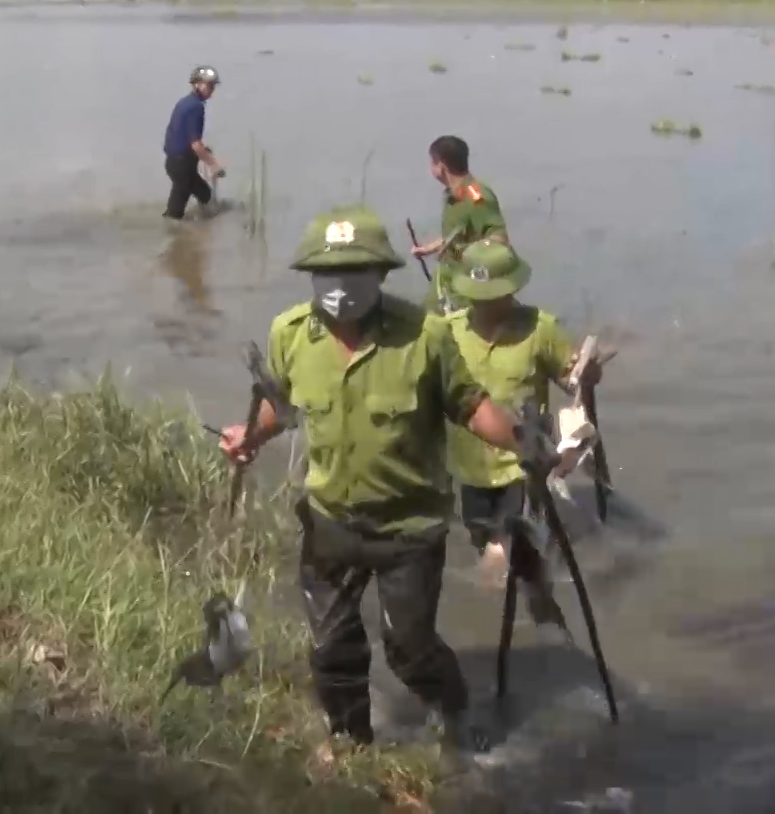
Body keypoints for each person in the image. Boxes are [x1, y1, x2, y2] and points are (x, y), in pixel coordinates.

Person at [218, 205, 522, 752]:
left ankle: (454, 710)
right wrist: (250, 435)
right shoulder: (289, 334)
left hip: (410, 527)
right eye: (327, 273)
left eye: (355, 271)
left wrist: (529, 446)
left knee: (409, 648)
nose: (339, 286)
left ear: (381, 273)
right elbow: (282, 408)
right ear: (311, 276)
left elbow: (472, 407)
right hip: (330, 521)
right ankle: (352, 744)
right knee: (332, 648)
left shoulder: (425, 336)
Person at [440, 240, 601, 583]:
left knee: (507, 554)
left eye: (496, 295)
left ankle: (534, 597)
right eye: (479, 297)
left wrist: (587, 376)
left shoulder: (540, 328)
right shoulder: (446, 332)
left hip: (524, 466)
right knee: (484, 542)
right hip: (469, 470)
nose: (487, 304)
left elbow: (573, 383)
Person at [408, 135, 507, 315]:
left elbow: (498, 239)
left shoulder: (476, 196)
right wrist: (427, 249)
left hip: (465, 290)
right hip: (446, 283)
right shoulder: (453, 196)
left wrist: (471, 260)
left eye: (432, 162)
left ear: (441, 166)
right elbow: (456, 235)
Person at [163, 65, 225, 219]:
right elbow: (195, 144)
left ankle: (202, 235)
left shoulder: (186, 102)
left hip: (177, 163)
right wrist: (214, 166)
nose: (211, 89)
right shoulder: (196, 107)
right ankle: (173, 239)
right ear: (196, 84)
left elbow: (181, 135)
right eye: (208, 85)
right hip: (182, 166)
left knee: (206, 196)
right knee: (174, 214)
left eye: (213, 85)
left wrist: (204, 151)